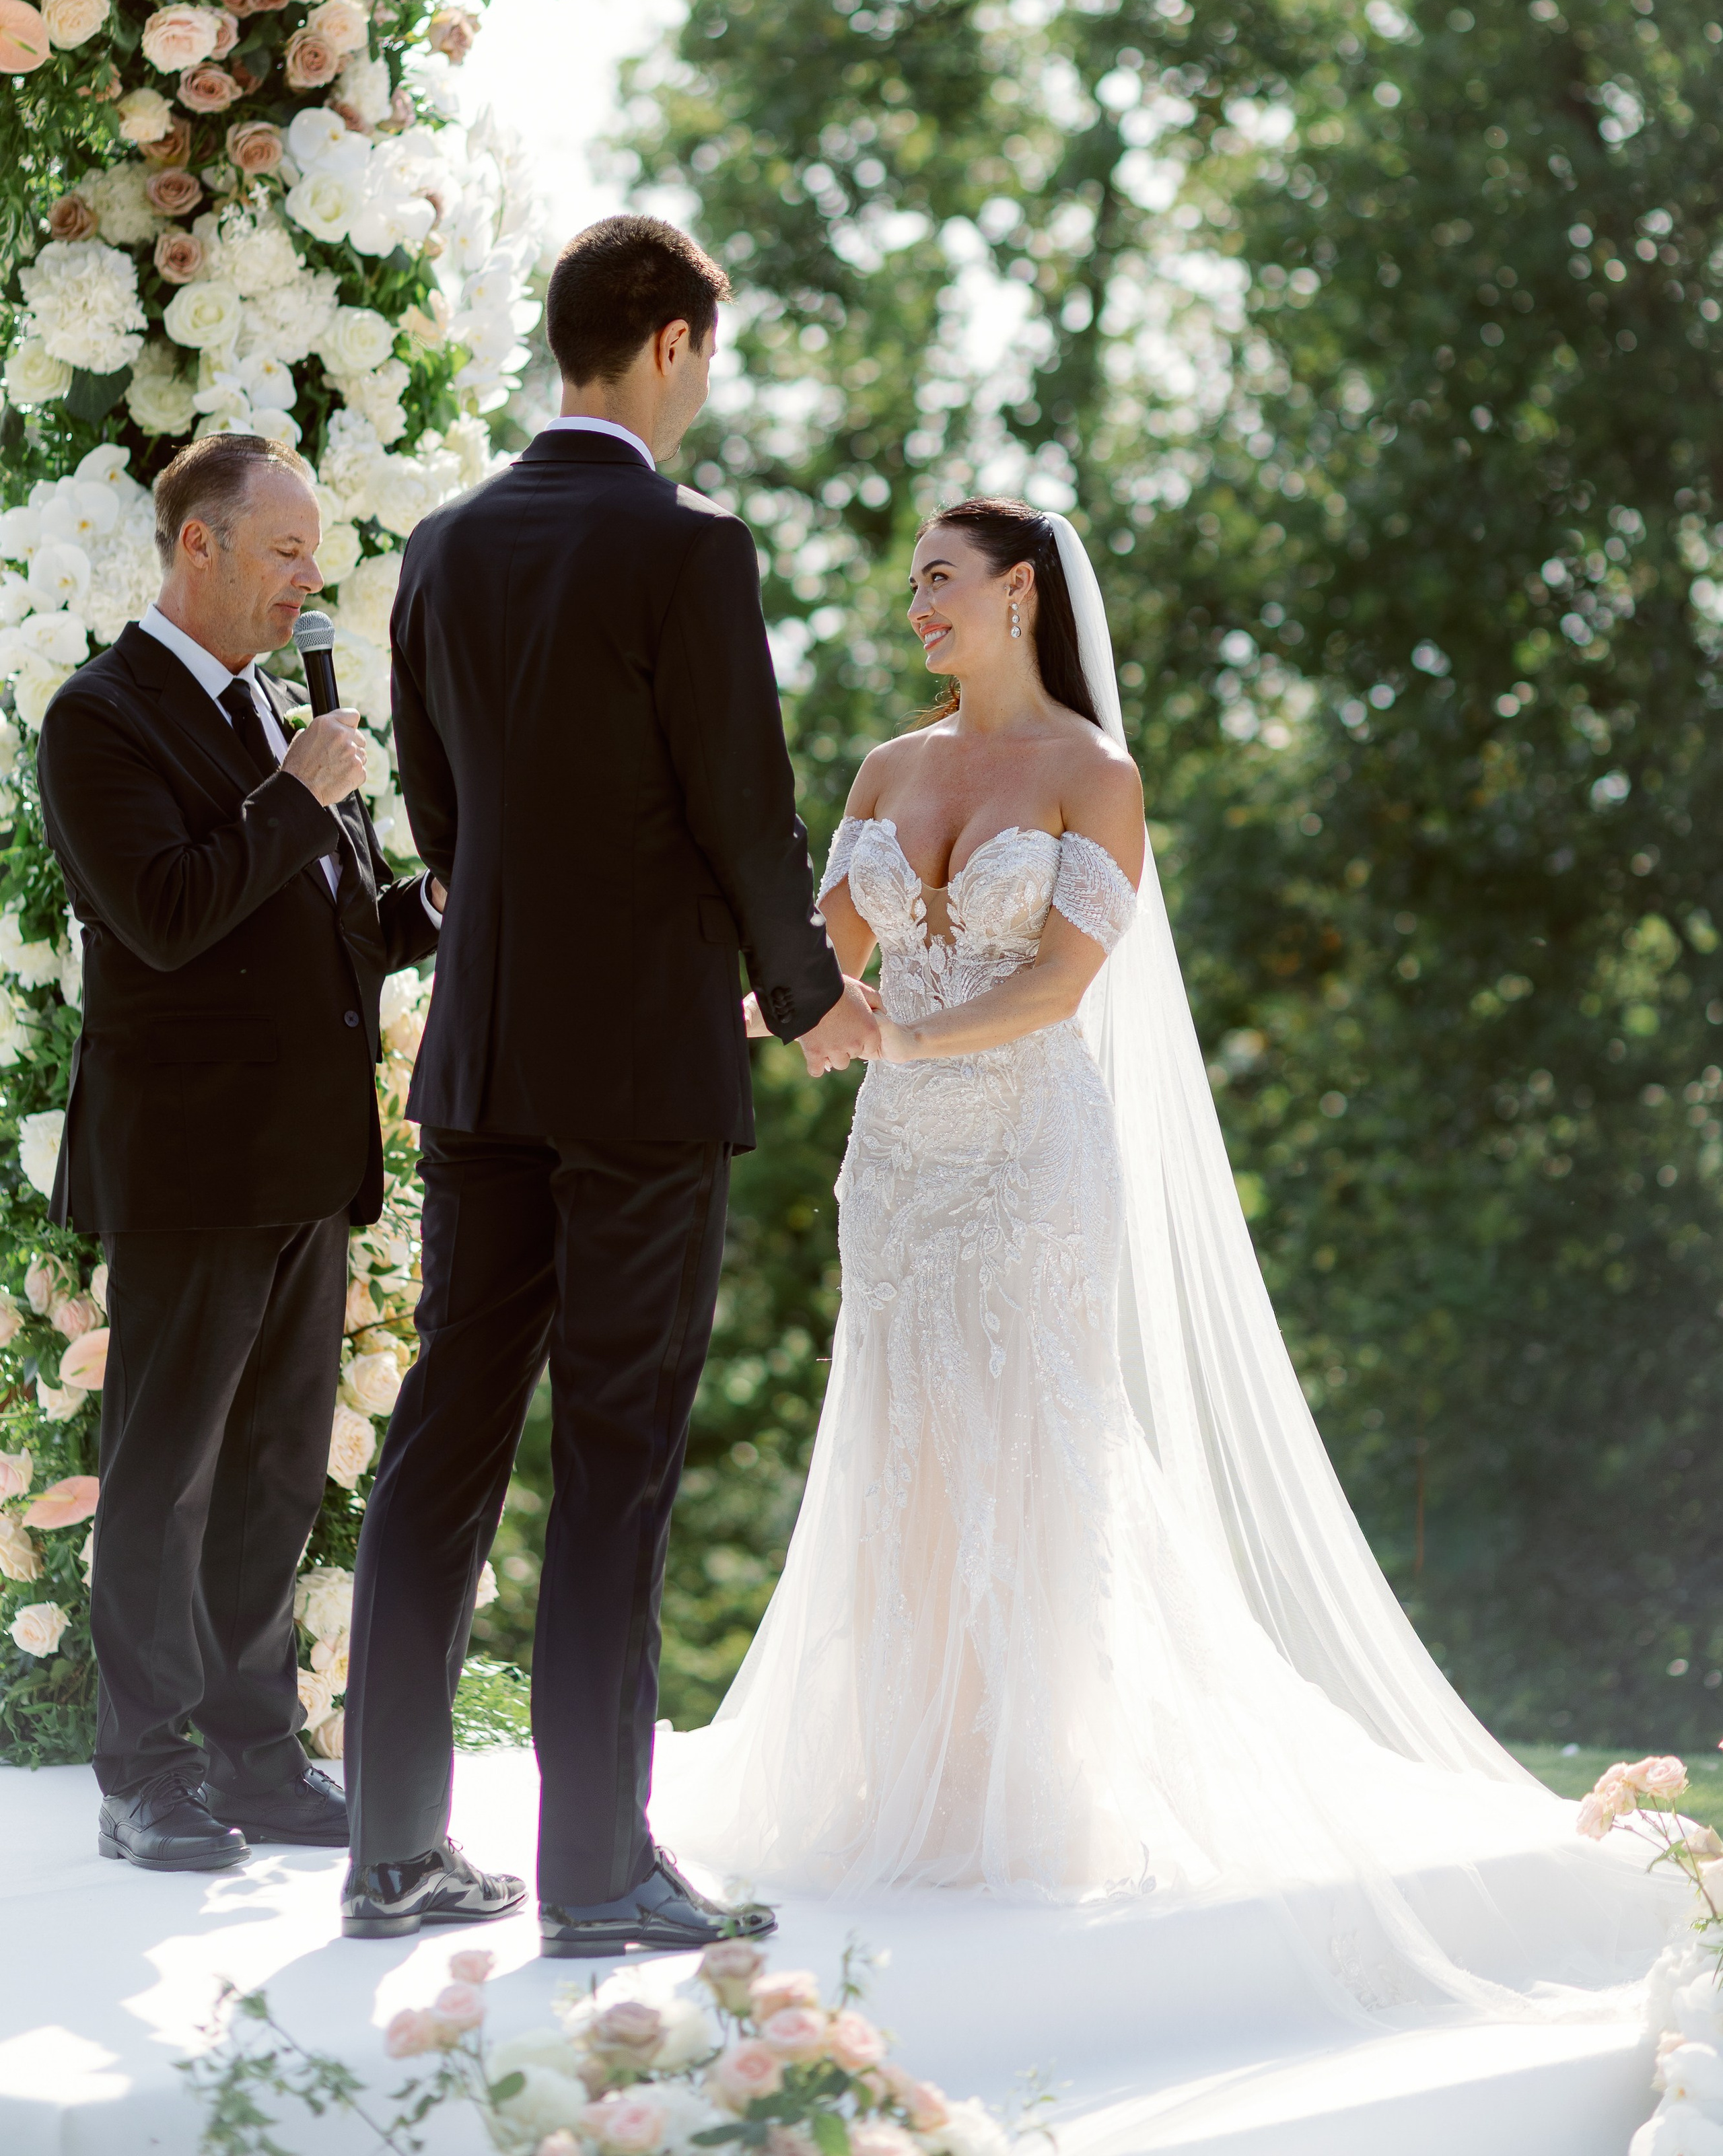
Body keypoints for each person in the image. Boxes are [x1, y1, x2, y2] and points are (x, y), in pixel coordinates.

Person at [648, 497, 1673, 2018]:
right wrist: (738, 1005)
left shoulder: (1093, 776)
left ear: (1019, 595)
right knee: (902, 1448)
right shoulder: (885, 768)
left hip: (1030, 1161)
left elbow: (1060, 985)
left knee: (1028, 1452)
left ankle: (1029, 1790)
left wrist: (894, 1038)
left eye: (940, 580)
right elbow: (824, 960)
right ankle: (908, 1777)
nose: (915, 604)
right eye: (915, 583)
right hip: (901, 1179)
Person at [340, 215, 878, 1949]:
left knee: (443, 1440)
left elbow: (437, 814)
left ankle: (392, 1856)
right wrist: (808, 1000)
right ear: (662, 343)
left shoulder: (441, 546)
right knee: (619, 1453)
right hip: (641, 1067)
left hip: (481, 1052)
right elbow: (743, 804)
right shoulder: (687, 545)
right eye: (704, 355)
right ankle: (593, 1876)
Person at [34, 432, 442, 1873]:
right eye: (283, 549)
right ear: (197, 546)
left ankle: (258, 1759)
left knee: (274, 1475)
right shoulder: (102, 716)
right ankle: (142, 1778)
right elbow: (162, 913)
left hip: (307, 1161)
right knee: (166, 1479)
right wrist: (300, 796)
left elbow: (329, 930)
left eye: (312, 552)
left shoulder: (279, 712)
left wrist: (437, 898)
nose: (306, 578)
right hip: (193, 1166)